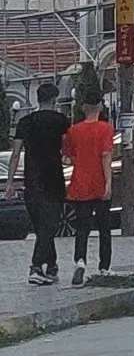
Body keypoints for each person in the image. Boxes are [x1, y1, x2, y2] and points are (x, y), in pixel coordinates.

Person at [6, 82, 70, 285]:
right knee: (48, 226)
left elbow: (15, 154)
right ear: (54, 100)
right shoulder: (61, 121)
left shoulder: (25, 122)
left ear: (38, 99)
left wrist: (9, 182)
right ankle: (36, 267)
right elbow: (68, 151)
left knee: (42, 226)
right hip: (53, 179)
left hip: (31, 180)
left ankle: (51, 267)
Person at [62, 99, 115, 285]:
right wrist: (108, 183)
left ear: (83, 109)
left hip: (79, 185)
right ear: (100, 107)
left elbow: (67, 159)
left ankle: (80, 261)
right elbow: (106, 156)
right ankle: (104, 267)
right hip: (99, 184)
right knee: (104, 229)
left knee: (82, 228)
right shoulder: (106, 129)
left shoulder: (73, 131)